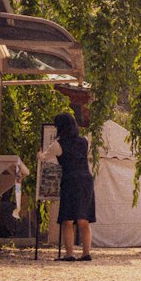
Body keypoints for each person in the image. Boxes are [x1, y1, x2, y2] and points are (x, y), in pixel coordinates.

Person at [54, 112, 96, 262]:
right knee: (84, 220)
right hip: (86, 180)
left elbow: (45, 157)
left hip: (70, 181)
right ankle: (86, 253)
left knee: (68, 220)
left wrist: (40, 154)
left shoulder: (58, 144)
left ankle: (69, 254)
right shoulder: (84, 141)